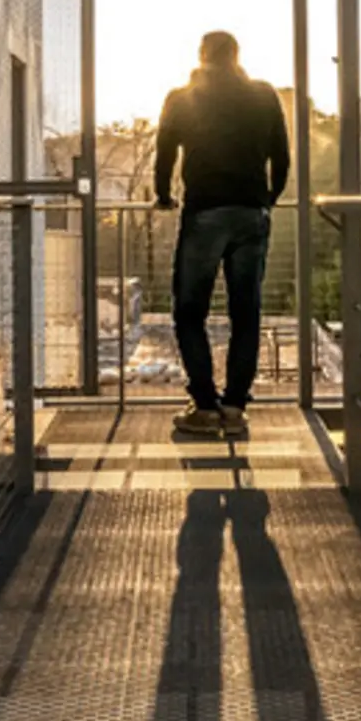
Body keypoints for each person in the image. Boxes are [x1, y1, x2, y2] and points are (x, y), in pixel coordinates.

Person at [154, 32, 290, 440]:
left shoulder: (181, 97)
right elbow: (281, 158)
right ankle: (234, 407)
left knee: (190, 311)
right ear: (237, 56)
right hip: (251, 214)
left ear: (201, 56)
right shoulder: (264, 95)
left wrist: (163, 196)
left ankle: (205, 406)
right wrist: (267, 200)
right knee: (245, 314)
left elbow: (164, 154)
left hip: (205, 213)